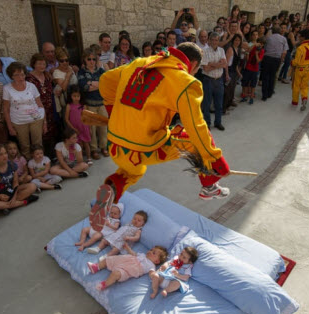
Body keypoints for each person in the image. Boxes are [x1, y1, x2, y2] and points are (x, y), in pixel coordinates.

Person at [91, 42, 230, 232]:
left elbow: (106, 79)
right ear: (194, 64)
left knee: (134, 171)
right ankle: (209, 185)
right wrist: (215, 159)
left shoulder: (139, 63)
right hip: (143, 149)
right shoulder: (184, 81)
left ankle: (113, 188)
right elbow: (197, 127)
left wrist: (112, 109)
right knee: (195, 140)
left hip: (115, 144)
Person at [3, 62, 45, 159]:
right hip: (19, 122)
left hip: (36, 119)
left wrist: (44, 122)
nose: (20, 77)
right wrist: (10, 127)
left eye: (22, 74)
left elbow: (40, 104)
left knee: (38, 144)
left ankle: (40, 165)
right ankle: (29, 166)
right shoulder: (7, 89)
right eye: (16, 75)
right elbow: (6, 109)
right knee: (24, 146)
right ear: (11, 76)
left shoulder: (31, 86)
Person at [0, 143, 38, 213]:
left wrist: (14, 196)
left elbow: (15, 182)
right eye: (1, 154)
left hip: (12, 192)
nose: (5, 156)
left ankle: (7, 206)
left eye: (5, 153)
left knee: (32, 186)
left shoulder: (12, 165)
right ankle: (24, 202)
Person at [87, 244, 168, 291]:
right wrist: (128, 248)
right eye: (151, 250)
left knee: (115, 274)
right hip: (122, 260)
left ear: (157, 261)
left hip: (126, 270)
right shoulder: (142, 255)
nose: (150, 252)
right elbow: (133, 253)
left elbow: (152, 273)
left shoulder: (151, 265)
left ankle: (105, 284)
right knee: (109, 259)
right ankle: (96, 267)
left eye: (153, 253)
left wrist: (154, 276)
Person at [78, 48, 108, 159]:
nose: (91, 61)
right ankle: (94, 149)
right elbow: (83, 87)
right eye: (89, 59)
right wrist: (98, 84)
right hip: (89, 104)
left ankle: (104, 147)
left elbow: (106, 84)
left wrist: (91, 83)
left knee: (103, 127)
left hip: (101, 103)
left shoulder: (101, 71)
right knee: (92, 128)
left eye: (93, 59)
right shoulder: (81, 72)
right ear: (84, 60)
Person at [27, 54, 57, 155]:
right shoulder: (29, 78)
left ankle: (51, 155)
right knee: (40, 134)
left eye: (44, 64)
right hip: (37, 109)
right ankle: (40, 156)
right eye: (39, 63)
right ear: (33, 64)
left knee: (51, 131)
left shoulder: (47, 76)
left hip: (49, 109)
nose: (42, 66)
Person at [201, 33, 227, 131]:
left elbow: (224, 64)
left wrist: (212, 64)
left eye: (216, 40)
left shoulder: (221, 50)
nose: (215, 42)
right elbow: (206, 68)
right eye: (213, 40)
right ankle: (207, 123)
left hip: (219, 80)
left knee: (219, 104)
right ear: (209, 41)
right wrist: (218, 64)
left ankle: (218, 122)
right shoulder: (204, 51)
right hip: (208, 80)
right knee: (207, 104)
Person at [291, 29, 309, 111]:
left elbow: (296, 61)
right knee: (305, 85)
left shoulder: (301, 48)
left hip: (300, 69)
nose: (299, 38)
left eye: (300, 36)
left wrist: (292, 62)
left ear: (303, 37)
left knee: (296, 85)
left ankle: (295, 101)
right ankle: (304, 98)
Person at [64, 85, 91, 163]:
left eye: (78, 96)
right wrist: (73, 129)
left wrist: (89, 128)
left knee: (86, 143)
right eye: (74, 96)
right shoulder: (69, 106)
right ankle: (80, 158)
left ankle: (89, 158)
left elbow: (87, 117)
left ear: (80, 96)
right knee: (77, 144)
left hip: (84, 128)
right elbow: (66, 119)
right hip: (74, 129)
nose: (76, 98)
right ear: (70, 96)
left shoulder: (83, 105)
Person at [261, 26, 288, 101]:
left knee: (265, 76)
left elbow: (265, 49)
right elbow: (285, 51)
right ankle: (270, 92)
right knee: (272, 76)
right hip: (276, 59)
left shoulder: (269, 38)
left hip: (267, 58)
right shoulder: (283, 39)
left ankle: (264, 95)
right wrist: (282, 60)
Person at [52, 47, 78, 114]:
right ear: (58, 61)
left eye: (66, 60)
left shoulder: (70, 68)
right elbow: (64, 88)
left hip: (76, 100)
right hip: (67, 103)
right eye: (62, 61)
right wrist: (68, 76)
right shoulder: (56, 72)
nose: (65, 62)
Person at [241, 37, 265, 105]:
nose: (260, 45)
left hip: (255, 69)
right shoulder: (253, 47)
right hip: (248, 68)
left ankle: (251, 97)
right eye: (259, 43)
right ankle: (244, 96)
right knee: (245, 83)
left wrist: (257, 53)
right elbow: (248, 51)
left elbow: (258, 61)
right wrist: (254, 45)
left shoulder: (262, 51)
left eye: (262, 44)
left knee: (253, 85)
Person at [223, 34, 243, 111]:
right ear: (233, 41)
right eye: (236, 40)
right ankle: (224, 107)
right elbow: (226, 64)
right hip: (230, 72)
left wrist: (238, 73)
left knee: (232, 89)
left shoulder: (238, 49)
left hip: (234, 72)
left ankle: (229, 103)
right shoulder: (230, 50)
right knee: (227, 91)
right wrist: (227, 75)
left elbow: (236, 64)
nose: (237, 42)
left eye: (239, 40)